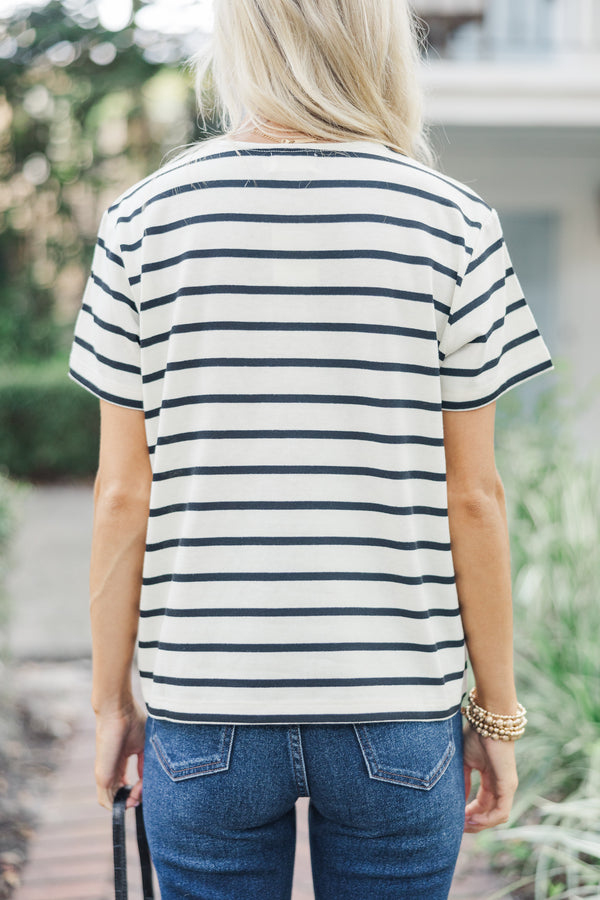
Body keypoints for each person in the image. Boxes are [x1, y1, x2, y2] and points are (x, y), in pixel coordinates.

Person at [67, 1, 554, 897]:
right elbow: (473, 496)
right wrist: (498, 713)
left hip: (206, 713)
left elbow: (119, 495)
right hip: (399, 713)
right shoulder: (454, 222)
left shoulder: (143, 221)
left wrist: (110, 707)